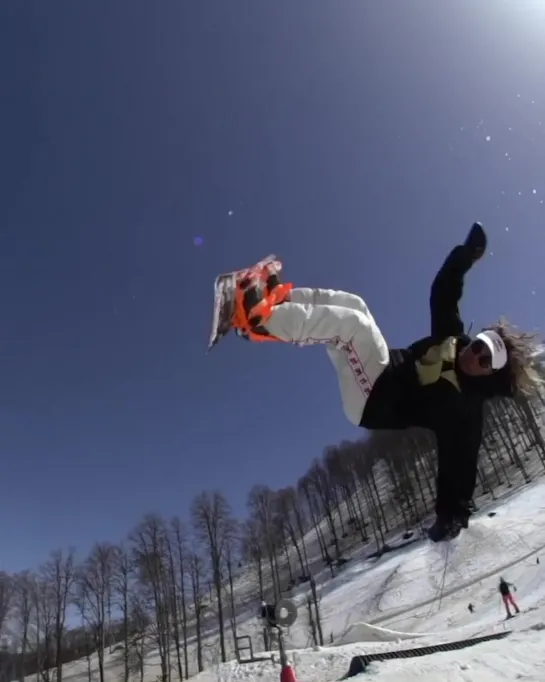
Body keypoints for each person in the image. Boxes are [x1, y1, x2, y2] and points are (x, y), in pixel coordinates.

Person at [228, 223, 541, 542]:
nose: (476, 356)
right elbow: (443, 290)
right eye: (480, 345)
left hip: (374, 400)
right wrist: (465, 256)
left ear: (490, 374)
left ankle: (259, 319)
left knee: (352, 326)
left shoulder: (466, 409)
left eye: (486, 361)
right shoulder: (453, 337)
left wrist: (452, 516)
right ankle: (278, 302)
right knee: (355, 305)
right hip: (380, 371)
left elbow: (460, 463)